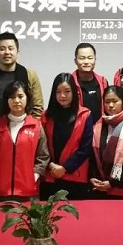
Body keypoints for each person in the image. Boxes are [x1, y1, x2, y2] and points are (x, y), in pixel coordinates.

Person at [0, 81, 50, 200]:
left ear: (27, 98)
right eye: (12, 97)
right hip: (0, 191)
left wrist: (35, 176)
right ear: (6, 100)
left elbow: (43, 156)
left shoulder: (36, 126)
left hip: (28, 191)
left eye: (20, 96)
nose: (16, 101)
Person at [40, 73, 93, 201]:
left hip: (75, 177)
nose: (62, 96)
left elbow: (85, 148)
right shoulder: (46, 116)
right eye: (58, 92)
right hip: (50, 176)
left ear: (74, 92)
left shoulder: (85, 115)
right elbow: (41, 147)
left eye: (67, 91)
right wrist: (51, 165)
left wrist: (65, 168)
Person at [0, 32, 44, 120]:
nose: (7, 52)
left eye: (10, 48)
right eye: (2, 49)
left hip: (24, 125)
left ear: (17, 52)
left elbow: (37, 107)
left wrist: (31, 126)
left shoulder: (30, 75)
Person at [71, 42, 108, 124]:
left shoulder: (103, 82)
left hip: (100, 128)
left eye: (90, 58)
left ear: (95, 60)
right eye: (82, 58)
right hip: (77, 127)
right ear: (75, 61)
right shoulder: (69, 83)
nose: (86, 61)